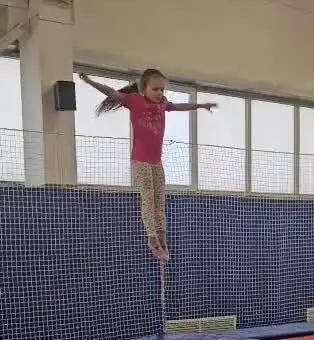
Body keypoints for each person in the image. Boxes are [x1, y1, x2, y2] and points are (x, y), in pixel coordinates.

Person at [79, 69, 217, 261]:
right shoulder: (134, 101)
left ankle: (162, 238)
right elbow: (111, 92)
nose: (160, 93)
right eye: (155, 89)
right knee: (148, 199)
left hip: (156, 162)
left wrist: (201, 105)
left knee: (160, 200)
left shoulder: (163, 105)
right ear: (143, 89)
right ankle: (152, 239)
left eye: (162, 89)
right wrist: (89, 81)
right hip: (140, 161)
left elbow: (179, 106)